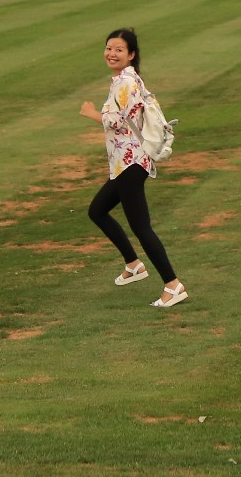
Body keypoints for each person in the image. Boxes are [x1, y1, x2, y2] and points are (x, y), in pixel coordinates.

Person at [80, 27, 187, 309]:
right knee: (97, 211)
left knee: (141, 227)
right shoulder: (124, 79)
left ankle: (173, 285)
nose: (112, 53)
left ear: (131, 55)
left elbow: (115, 121)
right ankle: (133, 265)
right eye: (109, 48)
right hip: (124, 162)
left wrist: (92, 113)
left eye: (119, 50)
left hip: (131, 162)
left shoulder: (126, 82)